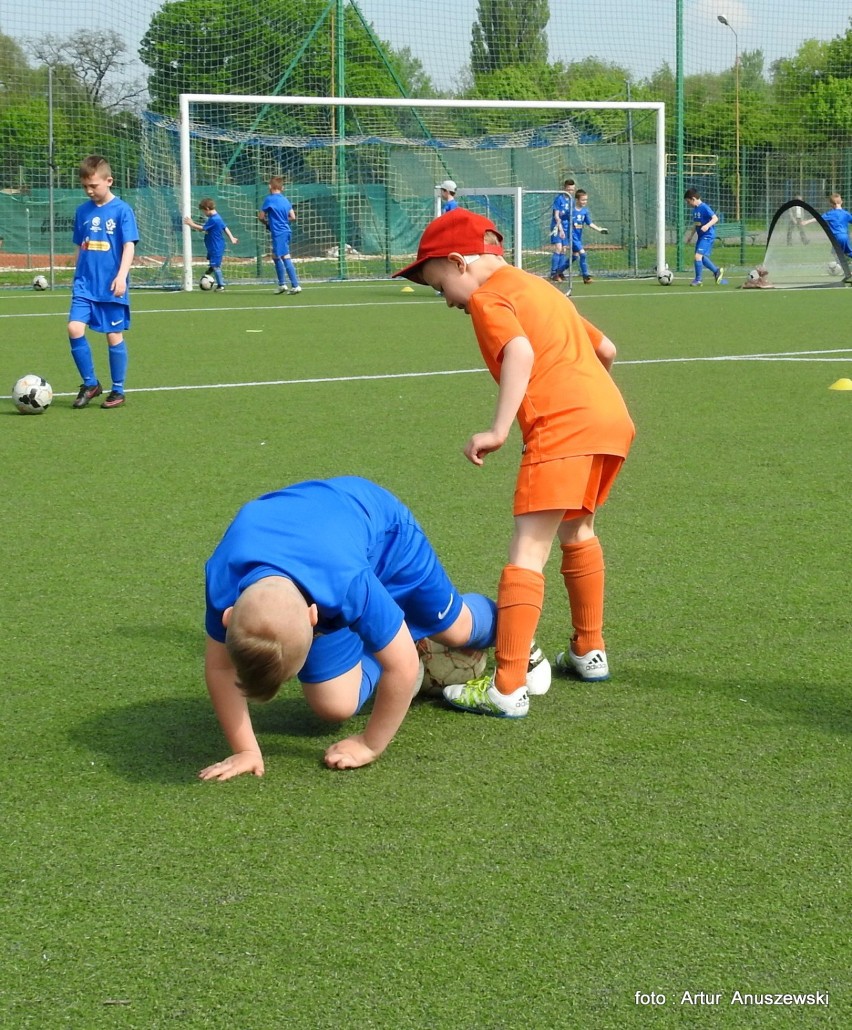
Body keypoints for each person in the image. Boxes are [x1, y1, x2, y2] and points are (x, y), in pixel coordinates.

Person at [393, 209, 635, 718]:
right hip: (610, 419)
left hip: (562, 426)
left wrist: (499, 429)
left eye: (439, 287)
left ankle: (505, 686)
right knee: (579, 531)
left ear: (459, 262)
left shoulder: (486, 297)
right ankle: (589, 650)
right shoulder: (539, 287)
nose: (447, 301)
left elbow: (519, 352)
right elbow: (607, 348)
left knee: (528, 549)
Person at [200, 476, 508, 777]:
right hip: (323, 550)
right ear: (228, 615)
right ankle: (392, 630)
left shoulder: (347, 583)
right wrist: (246, 750)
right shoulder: (224, 579)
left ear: (313, 618)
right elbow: (220, 669)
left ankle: (512, 625)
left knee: (457, 630)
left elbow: (402, 666)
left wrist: (370, 745)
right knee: (334, 706)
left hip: (388, 538)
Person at [67, 155, 139, 410]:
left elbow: (129, 246)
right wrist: (76, 272)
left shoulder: (122, 210)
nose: (89, 191)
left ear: (109, 181)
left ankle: (117, 389)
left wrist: (121, 276)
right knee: (74, 328)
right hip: (85, 284)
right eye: (85, 186)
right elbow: (80, 245)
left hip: (110, 285)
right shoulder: (82, 211)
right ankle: (90, 383)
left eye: (94, 185)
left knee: (113, 335)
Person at [257, 176, 301, 295]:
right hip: (286, 231)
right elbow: (293, 217)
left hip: (278, 233)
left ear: (270, 187)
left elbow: (261, 217)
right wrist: (282, 220)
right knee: (276, 256)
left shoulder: (269, 199)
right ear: (282, 188)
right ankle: (282, 284)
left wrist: (267, 223)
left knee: (285, 257)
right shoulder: (285, 200)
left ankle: (295, 285)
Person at [184, 198, 238, 291]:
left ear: (207, 209)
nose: (203, 214)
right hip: (212, 245)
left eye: (203, 211)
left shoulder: (214, 219)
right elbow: (225, 227)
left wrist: (191, 224)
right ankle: (209, 272)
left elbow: (202, 228)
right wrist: (232, 238)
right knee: (213, 264)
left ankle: (221, 285)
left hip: (216, 246)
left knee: (216, 266)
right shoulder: (216, 217)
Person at [684, 187, 724, 287]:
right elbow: (696, 224)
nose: (688, 204)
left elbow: (715, 218)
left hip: (708, 235)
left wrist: (707, 226)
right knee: (700, 258)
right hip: (701, 236)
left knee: (697, 256)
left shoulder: (704, 207)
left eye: (688, 202)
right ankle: (716, 271)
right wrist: (690, 236)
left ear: (693, 199)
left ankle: (698, 280)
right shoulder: (695, 210)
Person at [569, 188, 609, 284]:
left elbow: (589, 223)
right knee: (583, 254)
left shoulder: (585, 211)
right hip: (571, 236)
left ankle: (558, 272)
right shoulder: (571, 210)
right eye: (583, 200)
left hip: (578, 237)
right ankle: (586, 276)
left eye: (586, 200)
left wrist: (599, 229)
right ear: (577, 200)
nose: (585, 202)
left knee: (574, 257)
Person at [549, 178, 575, 281]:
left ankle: (560, 272)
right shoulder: (559, 199)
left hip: (566, 227)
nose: (570, 191)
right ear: (564, 188)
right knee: (558, 248)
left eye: (572, 190)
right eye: (568, 189)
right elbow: (556, 216)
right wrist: (561, 230)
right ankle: (553, 272)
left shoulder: (572, 200)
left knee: (564, 250)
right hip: (558, 226)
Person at [811, 193, 852, 259]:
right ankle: (840, 266)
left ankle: (838, 266)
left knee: (836, 254)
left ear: (831, 204)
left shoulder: (831, 214)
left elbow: (818, 218)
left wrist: (806, 222)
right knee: (848, 253)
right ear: (841, 202)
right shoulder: (846, 214)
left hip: (836, 237)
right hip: (845, 236)